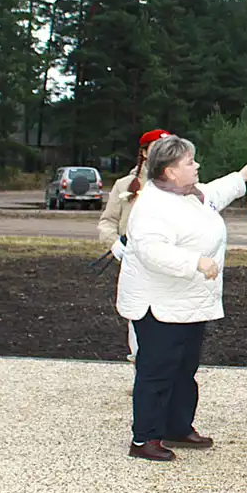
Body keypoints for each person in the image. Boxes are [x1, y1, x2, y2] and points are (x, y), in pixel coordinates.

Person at [116, 135, 247, 461]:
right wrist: (195, 262)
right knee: (156, 370)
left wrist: (243, 176)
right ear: (169, 172)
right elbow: (151, 250)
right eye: (189, 162)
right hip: (159, 306)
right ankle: (145, 438)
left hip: (189, 302)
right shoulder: (152, 207)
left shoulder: (191, 195)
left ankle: (177, 427)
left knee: (184, 368)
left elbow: (216, 193)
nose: (196, 166)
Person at [99, 128, 172, 363]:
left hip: (169, 258)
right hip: (135, 260)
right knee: (138, 314)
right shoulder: (124, 185)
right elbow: (107, 221)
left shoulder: (181, 185)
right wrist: (113, 243)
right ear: (143, 152)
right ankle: (141, 370)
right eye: (156, 149)